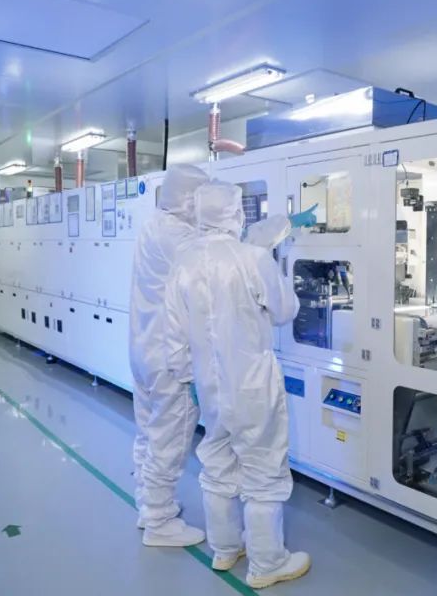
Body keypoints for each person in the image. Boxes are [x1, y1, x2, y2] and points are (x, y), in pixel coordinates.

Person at [164, 181, 310, 589]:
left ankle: (226, 548)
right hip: (253, 385)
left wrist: (189, 378)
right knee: (264, 469)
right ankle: (267, 563)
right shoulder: (252, 258)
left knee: (218, 463)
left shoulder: (183, 264)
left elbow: (174, 338)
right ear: (235, 213)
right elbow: (285, 311)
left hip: (209, 387)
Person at [128, 164, 207, 547]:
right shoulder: (181, 237)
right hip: (171, 360)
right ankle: (160, 522)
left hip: (143, 350)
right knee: (170, 440)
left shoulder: (153, 225)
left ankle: (148, 506)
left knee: (148, 433)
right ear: (191, 199)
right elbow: (219, 269)